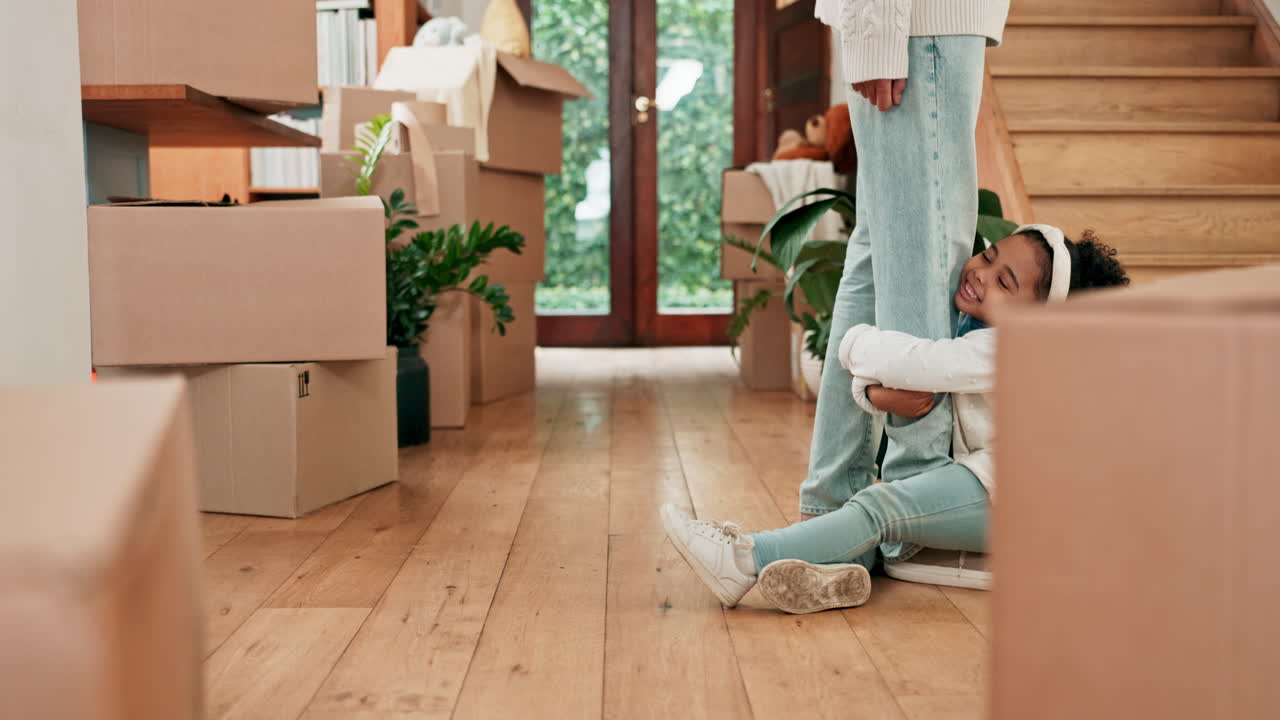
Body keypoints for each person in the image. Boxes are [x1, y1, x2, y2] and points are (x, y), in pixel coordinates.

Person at [661, 226, 1131, 613]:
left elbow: (919, 363)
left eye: (1005, 282)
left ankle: (743, 558)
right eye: (988, 256)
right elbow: (907, 371)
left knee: (881, 508)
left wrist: (851, 341)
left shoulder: (1013, 347)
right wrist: (872, 390)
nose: (981, 274)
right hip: (992, 488)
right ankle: (837, 574)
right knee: (881, 507)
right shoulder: (975, 328)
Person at [802, 0, 1013, 584]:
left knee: (883, 250)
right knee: (924, 248)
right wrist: (877, 34)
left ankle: (834, 503)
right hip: (922, 25)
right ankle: (911, 515)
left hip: (921, 28)